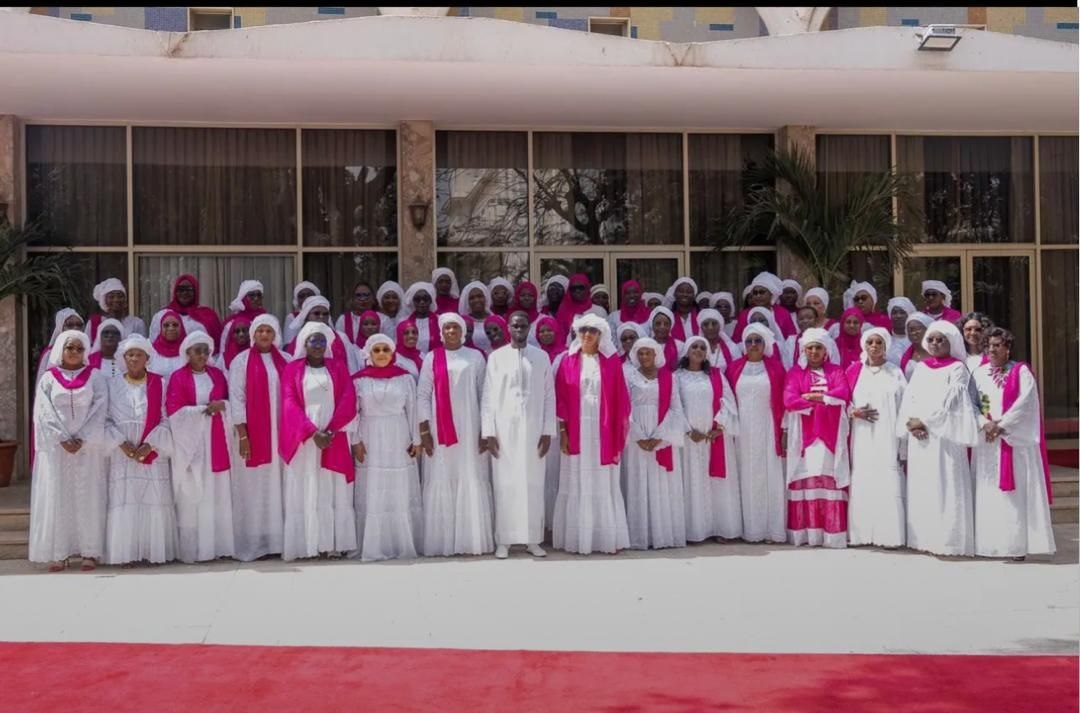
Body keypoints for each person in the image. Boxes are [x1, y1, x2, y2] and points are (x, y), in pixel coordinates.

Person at [971, 328, 1056, 559]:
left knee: (1014, 496)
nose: (992, 349)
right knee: (988, 492)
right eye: (989, 345)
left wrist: (1001, 425)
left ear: (1008, 348)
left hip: (1014, 444)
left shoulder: (1021, 372)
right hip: (987, 444)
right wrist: (984, 423)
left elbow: (1026, 404)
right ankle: (990, 544)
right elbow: (971, 403)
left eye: (997, 345)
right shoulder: (978, 374)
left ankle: (1016, 546)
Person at [898, 320, 980, 556]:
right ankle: (923, 538)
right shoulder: (921, 368)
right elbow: (909, 398)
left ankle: (949, 541)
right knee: (923, 484)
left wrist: (925, 422)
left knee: (947, 483)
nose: (934, 343)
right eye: (931, 339)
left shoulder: (958, 368)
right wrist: (911, 423)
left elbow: (953, 402)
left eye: (940, 339)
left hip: (945, 438)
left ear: (951, 341)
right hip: (920, 438)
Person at [552, 313, 631, 555]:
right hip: (576, 430)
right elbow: (561, 400)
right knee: (577, 480)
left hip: (603, 431)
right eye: (583, 330)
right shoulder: (566, 360)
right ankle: (578, 538)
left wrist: (618, 430)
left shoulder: (612, 361)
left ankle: (604, 538)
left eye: (592, 330)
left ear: (601, 335)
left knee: (602, 481)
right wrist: (563, 431)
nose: (587, 334)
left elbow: (621, 399)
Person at [279, 322, 359, 560]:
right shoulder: (292, 369)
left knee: (331, 489)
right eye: (314, 341)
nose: (318, 345)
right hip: (304, 439)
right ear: (304, 344)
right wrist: (312, 432)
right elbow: (289, 403)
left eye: (322, 341)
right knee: (308, 487)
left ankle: (333, 543)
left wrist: (331, 431)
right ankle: (307, 544)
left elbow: (348, 397)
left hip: (334, 435)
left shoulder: (338, 367)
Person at [29, 330, 108, 572]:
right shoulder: (48, 379)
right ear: (60, 350)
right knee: (58, 496)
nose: (74, 353)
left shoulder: (95, 377)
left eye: (79, 349)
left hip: (87, 448)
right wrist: (62, 437)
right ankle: (59, 552)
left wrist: (82, 438)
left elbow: (101, 408)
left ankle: (89, 551)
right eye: (69, 348)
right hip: (57, 450)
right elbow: (43, 412)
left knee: (88, 496)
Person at [417, 313, 494, 557]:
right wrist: (425, 431)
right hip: (440, 430)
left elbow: (486, 394)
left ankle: (471, 540)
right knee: (442, 476)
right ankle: (442, 541)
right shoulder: (432, 357)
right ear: (441, 331)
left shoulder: (476, 357)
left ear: (463, 331)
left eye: (455, 327)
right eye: (447, 327)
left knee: (470, 476)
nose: (451, 331)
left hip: (470, 428)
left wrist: (486, 429)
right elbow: (423, 395)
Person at [482, 312, 556, 559]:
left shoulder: (541, 357)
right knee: (505, 484)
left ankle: (532, 539)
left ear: (529, 328)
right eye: (515, 326)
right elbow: (488, 398)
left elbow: (549, 397)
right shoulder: (496, 358)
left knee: (533, 484)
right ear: (508, 329)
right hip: (504, 430)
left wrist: (547, 431)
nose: (519, 329)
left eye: (523, 325)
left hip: (534, 429)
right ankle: (504, 540)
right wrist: (489, 433)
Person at [104, 335, 178, 566]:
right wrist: (122, 444)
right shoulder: (111, 384)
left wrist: (151, 444)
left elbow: (167, 419)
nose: (134, 358)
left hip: (152, 452)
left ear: (148, 358)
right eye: (130, 354)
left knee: (153, 500)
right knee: (125, 500)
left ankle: (153, 551)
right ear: (123, 358)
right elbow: (105, 420)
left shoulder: (160, 383)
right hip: (122, 453)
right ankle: (124, 553)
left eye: (139, 354)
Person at [351, 334, 423, 562]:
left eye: (385, 350)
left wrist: (416, 440)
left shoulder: (405, 379)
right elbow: (353, 413)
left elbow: (412, 409)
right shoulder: (358, 380)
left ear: (393, 353)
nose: (381, 354)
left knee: (398, 488)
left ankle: (401, 542)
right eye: (377, 350)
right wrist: (355, 440)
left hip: (398, 436)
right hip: (370, 436)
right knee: (372, 488)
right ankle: (373, 545)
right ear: (369, 354)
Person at [165, 331, 236, 564]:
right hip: (190, 442)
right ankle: (193, 550)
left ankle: (217, 546)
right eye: (198, 351)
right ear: (187, 353)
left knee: (216, 491)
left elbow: (228, 403)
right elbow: (174, 413)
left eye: (206, 350)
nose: (203, 355)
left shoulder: (218, 374)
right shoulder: (177, 377)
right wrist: (205, 409)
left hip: (215, 439)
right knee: (193, 493)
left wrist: (221, 406)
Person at [227, 315, 289, 562]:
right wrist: (243, 435)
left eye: (269, 331)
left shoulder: (285, 359)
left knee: (279, 486)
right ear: (253, 334)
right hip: (254, 433)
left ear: (275, 335)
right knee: (254, 487)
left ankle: (278, 540)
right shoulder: (240, 362)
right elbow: (237, 399)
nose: (264, 335)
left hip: (281, 432)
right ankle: (255, 542)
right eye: (260, 330)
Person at [783, 329, 851, 548]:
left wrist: (816, 396)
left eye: (818, 347)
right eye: (810, 348)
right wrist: (823, 403)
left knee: (829, 478)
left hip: (831, 433)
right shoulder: (795, 372)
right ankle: (806, 535)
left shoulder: (836, 370)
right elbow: (789, 399)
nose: (814, 351)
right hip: (804, 434)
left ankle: (831, 536)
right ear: (804, 350)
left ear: (826, 350)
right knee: (807, 478)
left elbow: (843, 392)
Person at [623, 337, 687, 550]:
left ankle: (662, 536)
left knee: (661, 484)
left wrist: (660, 436)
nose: (644, 357)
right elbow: (624, 407)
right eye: (640, 353)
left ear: (656, 354)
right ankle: (639, 536)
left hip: (662, 432)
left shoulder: (669, 378)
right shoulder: (629, 376)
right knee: (638, 481)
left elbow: (676, 408)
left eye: (648, 352)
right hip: (636, 435)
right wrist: (638, 435)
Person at [846, 328, 908, 548]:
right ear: (864, 345)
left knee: (886, 477)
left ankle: (889, 535)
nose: (874, 346)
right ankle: (861, 534)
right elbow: (843, 402)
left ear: (886, 346)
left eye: (879, 342)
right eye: (870, 342)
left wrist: (903, 444)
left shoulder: (895, 373)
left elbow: (905, 407)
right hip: (862, 435)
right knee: (863, 477)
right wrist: (853, 412)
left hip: (887, 435)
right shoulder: (854, 371)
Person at [676, 336, 742, 543]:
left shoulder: (716, 375)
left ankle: (721, 528)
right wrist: (688, 431)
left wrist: (720, 428)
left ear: (707, 353)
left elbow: (729, 402)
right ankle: (694, 531)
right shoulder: (676, 377)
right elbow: (673, 406)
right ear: (686, 351)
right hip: (688, 440)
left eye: (702, 347)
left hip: (713, 439)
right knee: (692, 482)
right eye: (694, 346)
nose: (698, 350)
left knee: (716, 484)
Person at [728, 323, 788, 544]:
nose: (753, 345)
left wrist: (785, 430)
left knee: (769, 475)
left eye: (757, 341)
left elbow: (785, 401)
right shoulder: (734, 368)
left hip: (768, 428)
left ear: (765, 344)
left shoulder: (776, 368)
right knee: (744, 475)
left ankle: (771, 530)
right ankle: (748, 528)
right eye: (749, 341)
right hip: (742, 431)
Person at [286, 295, 363, 373]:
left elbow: (352, 367)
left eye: (325, 314)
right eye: (317, 313)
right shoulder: (298, 341)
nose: (321, 316)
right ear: (307, 316)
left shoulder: (342, 338)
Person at [158, 274, 223, 346]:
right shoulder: (162, 315)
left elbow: (217, 346)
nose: (184, 293)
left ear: (195, 291)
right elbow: (154, 346)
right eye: (180, 289)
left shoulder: (208, 315)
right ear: (175, 292)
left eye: (189, 289)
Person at [732, 273, 796, 341]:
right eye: (755, 293)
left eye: (762, 292)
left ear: (771, 294)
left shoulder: (783, 313)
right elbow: (737, 340)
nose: (758, 296)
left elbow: (791, 339)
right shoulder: (744, 315)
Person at [36, 308, 85, 386]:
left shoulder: (87, 352)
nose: (75, 328)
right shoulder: (49, 354)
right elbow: (41, 386)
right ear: (61, 328)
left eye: (79, 325)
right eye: (70, 325)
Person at [87, 278, 145, 343]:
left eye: (120, 296)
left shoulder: (136, 323)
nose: (116, 300)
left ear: (125, 300)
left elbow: (140, 347)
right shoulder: (94, 323)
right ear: (104, 301)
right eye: (111, 297)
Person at [401, 282, 442, 355]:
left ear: (431, 301)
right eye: (417, 299)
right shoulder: (404, 322)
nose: (422, 302)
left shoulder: (440, 320)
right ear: (412, 301)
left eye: (425, 299)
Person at [148, 309, 188, 380]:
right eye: (166, 325)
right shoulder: (150, 351)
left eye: (175, 325)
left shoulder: (189, 350)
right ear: (160, 328)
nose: (171, 328)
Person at [335, 281, 378, 347]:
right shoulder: (342, 320)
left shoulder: (383, 319)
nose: (362, 299)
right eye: (358, 295)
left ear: (373, 299)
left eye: (366, 295)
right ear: (352, 299)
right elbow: (339, 344)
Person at [459, 281, 493, 353]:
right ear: (467, 301)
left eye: (479, 296)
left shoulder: (496, 320)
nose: (476, 300)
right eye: (472, 298)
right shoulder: (463, 323)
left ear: (485, 297)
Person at [283, 281, 322, 345]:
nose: (306, 298)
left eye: (309, 295)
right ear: (297, 300)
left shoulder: (323, 314)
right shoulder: (292, 317)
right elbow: (288, 344)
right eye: (302, 296)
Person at [646, 305, 682, 371]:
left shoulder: (679, 345)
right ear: (652, 325)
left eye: (666, 324)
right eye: (658, 324)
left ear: (671, 326)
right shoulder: (645, 345)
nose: (662, 327)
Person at [666, 277, 701, 342]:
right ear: (674, 294)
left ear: (694, 295)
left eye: (689, 292)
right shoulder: (668, 318)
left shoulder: (701, 316)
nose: (685, 294)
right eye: (681, 291)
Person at [900, 312, 934, 379]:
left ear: (927, 329)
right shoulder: (906, 357)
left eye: (918, 328)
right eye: (911, 330)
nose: (914, 332)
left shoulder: (937, 352)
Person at [885, 297, 916, 366]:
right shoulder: (884, 340)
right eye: (894, 312)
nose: (898, 316)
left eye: (902, 312)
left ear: (909, 315)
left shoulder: (915, 340)